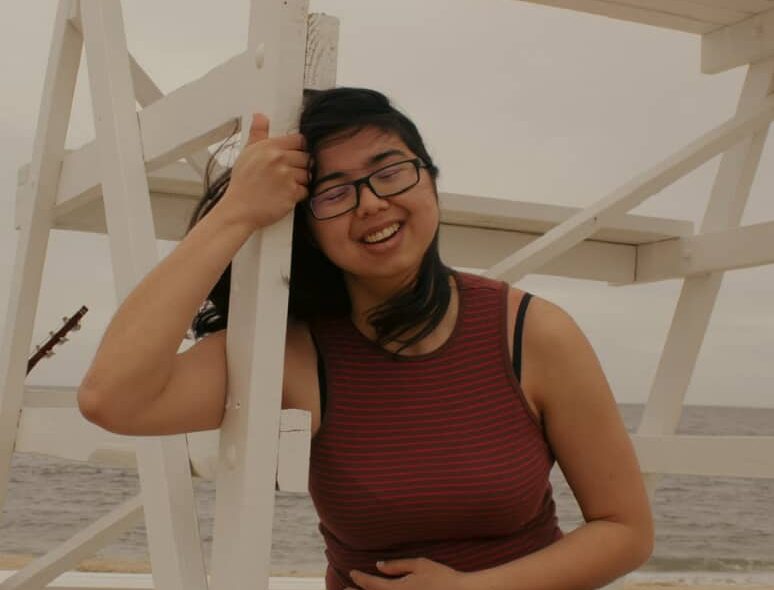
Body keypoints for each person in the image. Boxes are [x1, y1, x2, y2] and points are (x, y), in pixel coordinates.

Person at [77, 87, 653, 590]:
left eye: (391, 170)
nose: (373, 202)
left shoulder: (532, 332)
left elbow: (626, 530)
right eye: (334, 192)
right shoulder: (299, 355)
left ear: (430, 177)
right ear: (305, 225)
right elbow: (114, 397)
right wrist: (235, 215)